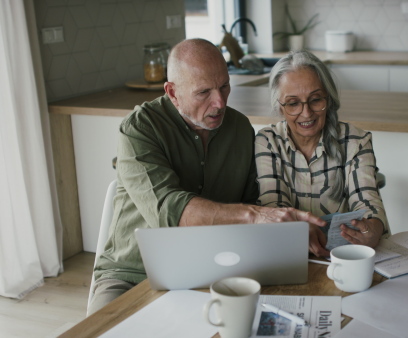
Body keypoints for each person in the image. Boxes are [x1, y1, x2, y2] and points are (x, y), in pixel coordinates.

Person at [88, 39, 325, 316]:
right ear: (172, 92)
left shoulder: (239, 129)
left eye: (224, 86)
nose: (220, 102)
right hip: (131, 274)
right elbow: (170, 211)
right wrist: (255, 215)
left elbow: (252, 204)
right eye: (203, 92)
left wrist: (289, 231)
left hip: (215, 270)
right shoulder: (140, 129)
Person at [255, 50, 389, 258]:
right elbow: (274, 205)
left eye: (315, 100)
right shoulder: (267, 141)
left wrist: (372, 229)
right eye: (293, 103)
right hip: (290, 252)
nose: (306, 113)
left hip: (346, 254)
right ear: (280, 107)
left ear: (329, 99)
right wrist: (298, 230)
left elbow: (367, 200)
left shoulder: (356, 140)